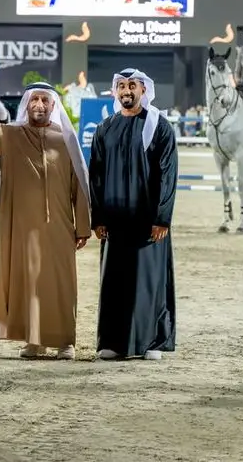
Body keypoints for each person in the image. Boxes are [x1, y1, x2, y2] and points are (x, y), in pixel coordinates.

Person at [0, 80, 91, 360]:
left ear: (53, 105)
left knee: (61, 284)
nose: (39, 105)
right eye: (34, 100)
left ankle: (65, 342)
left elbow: (79, 184)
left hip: (60, 225)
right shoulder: (13, 136)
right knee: (30, 282)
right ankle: (34, 341)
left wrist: (82, 226)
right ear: (27, 104)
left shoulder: (65, 139)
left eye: (45, 100)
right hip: (24, 228)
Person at [89, 68, 178, 361]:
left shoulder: (159, 127)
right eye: (122, 86)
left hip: (147, 221)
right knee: (115, 281)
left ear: (144, 91)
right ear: (116, 91)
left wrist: (162, 217)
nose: (127, 91)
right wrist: (98, 217)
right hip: (115, 221)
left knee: (148, 280)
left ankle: (151, 342)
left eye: (133, 86)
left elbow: (168, 174)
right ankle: (113, 342)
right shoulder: (105, 128)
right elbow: (96, 176)